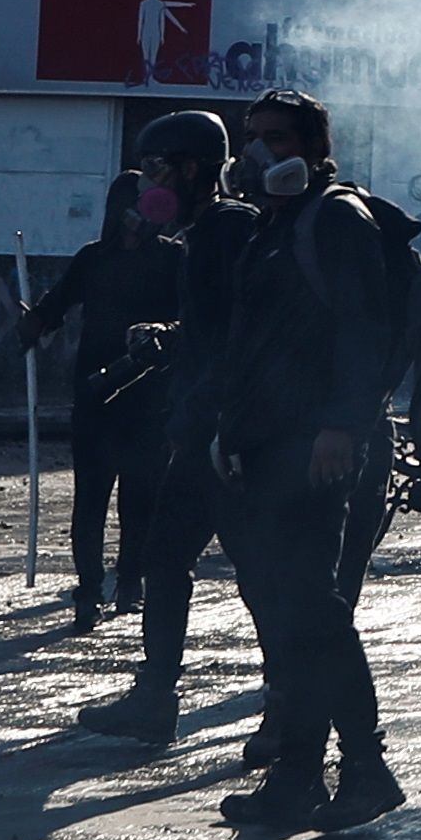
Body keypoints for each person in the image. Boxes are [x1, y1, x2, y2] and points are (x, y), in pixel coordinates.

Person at [212, 88, 417, 839]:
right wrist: (230, 433)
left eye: (275, 137)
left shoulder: (335, 216)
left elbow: (366, 328)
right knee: (294, 616)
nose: (258, 150)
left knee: (313, 611)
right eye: (252, 136)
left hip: (318, 447)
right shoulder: (277, 222)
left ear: (313, 147)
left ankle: (364, 765)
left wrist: (343, 423)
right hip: (267, 444)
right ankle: (297, 776)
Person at [76, 113, 261, 749]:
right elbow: (214, 331)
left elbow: (242, 337)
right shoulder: (205, 236)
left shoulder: (226, 233)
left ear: (189, 170)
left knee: (259, 575)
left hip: (225, 435)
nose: (145, 186)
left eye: (155, 170)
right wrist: (169, 340)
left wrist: (211, 420)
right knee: (172, 557)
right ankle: (156, 695)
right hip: (208, 430)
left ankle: (302, 710)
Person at [11, 174, 189, 632]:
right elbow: (54, 309)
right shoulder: (93, 258)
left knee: (140, 497)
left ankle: (130, 580)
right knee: (90, 498)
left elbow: (192, 317)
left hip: (150, 396)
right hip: (95, 396)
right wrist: (33, 325)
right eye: (135, 204)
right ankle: (88, 590)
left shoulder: (173, 258)